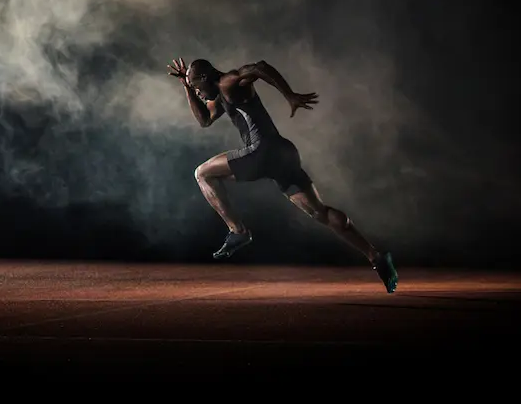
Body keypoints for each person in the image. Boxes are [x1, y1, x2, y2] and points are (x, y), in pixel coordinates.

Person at [168, 57, 398, 293]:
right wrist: (186, 86)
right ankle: (376, 257)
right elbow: (204, 120)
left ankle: (238, 231)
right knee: (320, 212)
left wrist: (290, 95)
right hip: (283, 154)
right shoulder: (220, 93)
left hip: (262, 152)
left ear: (205, 77)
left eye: (196, 86)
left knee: (202, 173)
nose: (198, 92)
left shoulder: (228, 81)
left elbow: (260, 67)